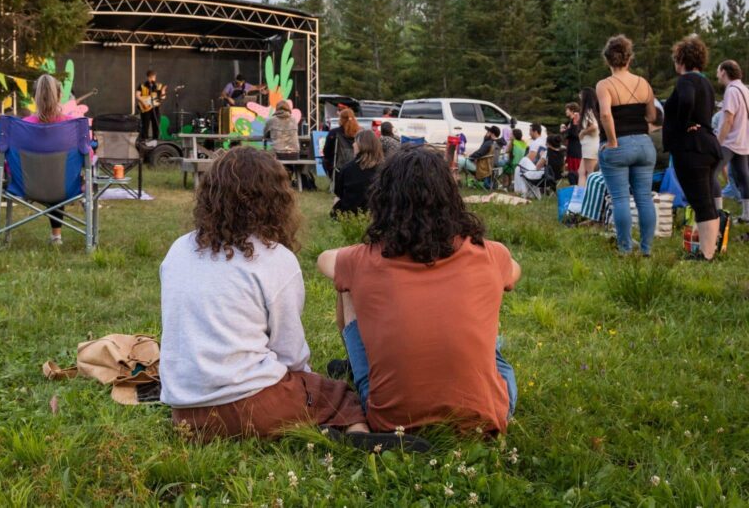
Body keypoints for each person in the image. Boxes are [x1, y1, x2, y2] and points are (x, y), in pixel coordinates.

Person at [160, 147, 368, 440]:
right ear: (275, 199)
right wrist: (304, 386)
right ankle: (356, 435)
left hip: (187, 416)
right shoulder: (275, 258)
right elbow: (290, 353)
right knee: (339, 394)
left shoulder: (178, 249)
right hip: (253, 406)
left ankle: (308, 425)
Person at [317, 145, 520, 435]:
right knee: (493, 340)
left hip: (391, 420)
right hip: (483, 420)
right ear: (450, 198)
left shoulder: (361, 260)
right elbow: (514, 270)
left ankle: (361, 364)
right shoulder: (490, 254)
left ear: (384, 200)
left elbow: (324, 259)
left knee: (345, 284)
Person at [595, 35, 658, 256]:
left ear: (608, 60)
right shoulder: (644, 83)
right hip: (644, 145)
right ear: (628, 59)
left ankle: (625, 249)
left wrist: (612, 141)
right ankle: (647, 249)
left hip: (618, 145)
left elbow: (605, 114)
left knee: (620, 198)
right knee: (644, 197)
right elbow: (652, 115)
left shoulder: (604, 85)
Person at [664, 36, 722, 260]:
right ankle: (710, 249)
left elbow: (687, 101)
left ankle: (706, 254)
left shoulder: (686, 80)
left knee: (700, 202)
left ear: (681, 59)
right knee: (706, 201)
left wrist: (682, 125)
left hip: (692, 149)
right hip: (708, 146)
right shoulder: (706, 82)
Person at [24, 74, 72, 245]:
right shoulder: (72, 125)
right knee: (57, 175)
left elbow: (7, 153)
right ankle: (56, 236)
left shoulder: (23, 125)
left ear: (33, 98)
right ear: (59, 96)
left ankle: (56, 236)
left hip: (27, 185)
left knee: (51, 175)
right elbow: (87, 155)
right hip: (65, 186)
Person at [715, 60, 749, 223]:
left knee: (711, 174)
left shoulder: (731, 91)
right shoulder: (744, 89)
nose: (717, 75)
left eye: (718, 71)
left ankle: (716, 214)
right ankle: (747, 214)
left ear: (723, 72)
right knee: (743, 178)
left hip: (729, 142)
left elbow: (728, 119)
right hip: (742, 141)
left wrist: (718, 142)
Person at [332, 130, 383, 217]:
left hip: (348, 215)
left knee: (336, 199)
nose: (353, 144)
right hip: (375, 215)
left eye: (355, 142)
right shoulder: (384, 169)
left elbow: (338, 193)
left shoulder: (347, 168)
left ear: (362, 146)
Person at [322, 108, 359, 185]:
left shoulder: (334, 132)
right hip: (356, 163)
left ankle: (334, 181)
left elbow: (326, 151)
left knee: (324, 161)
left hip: (338, 165)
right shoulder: (359, 133)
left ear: (341, 119)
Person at [513, 124, 547, 195]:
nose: (529, 133)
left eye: (530, 131)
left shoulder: (535, 143)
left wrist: (521, 162)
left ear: (535, 132)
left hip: (535, 168)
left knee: (518, 168)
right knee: (520, 166)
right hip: (543, 168)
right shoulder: (543, 141)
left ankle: (521, 191)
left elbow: (530, 158)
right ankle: (523, 191)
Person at [136, 69, 166, 144]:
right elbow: (137, 95)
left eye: (153, 77)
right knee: (145, 125)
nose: (152, 78)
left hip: (155, 109)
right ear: (148, 77)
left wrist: (162, 94)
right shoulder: (142, 85)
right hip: (145, 108)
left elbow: (162, 97)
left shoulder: (159, 86)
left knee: (156, 124)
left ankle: (155, 141)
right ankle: (144, 141)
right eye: (150, 77)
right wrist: (144, 102)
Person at [578, 87, 600, 186]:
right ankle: (580, 196)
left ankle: (589, 197)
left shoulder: (588, 111)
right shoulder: (594, 111)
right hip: (590, 146)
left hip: (590, 146)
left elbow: (594, 127)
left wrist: (583, 132)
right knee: (581, 172)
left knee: (591, 174)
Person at [562, 102, 582, 185]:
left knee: (575, 172)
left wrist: (565, 131)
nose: (566, 111)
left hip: (575, 150)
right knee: (571, 171)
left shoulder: (576, 119)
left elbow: (575, 134)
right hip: (572, 149)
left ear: (572, 110)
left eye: (567, 110)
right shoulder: (571, 121)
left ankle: (577, 189)